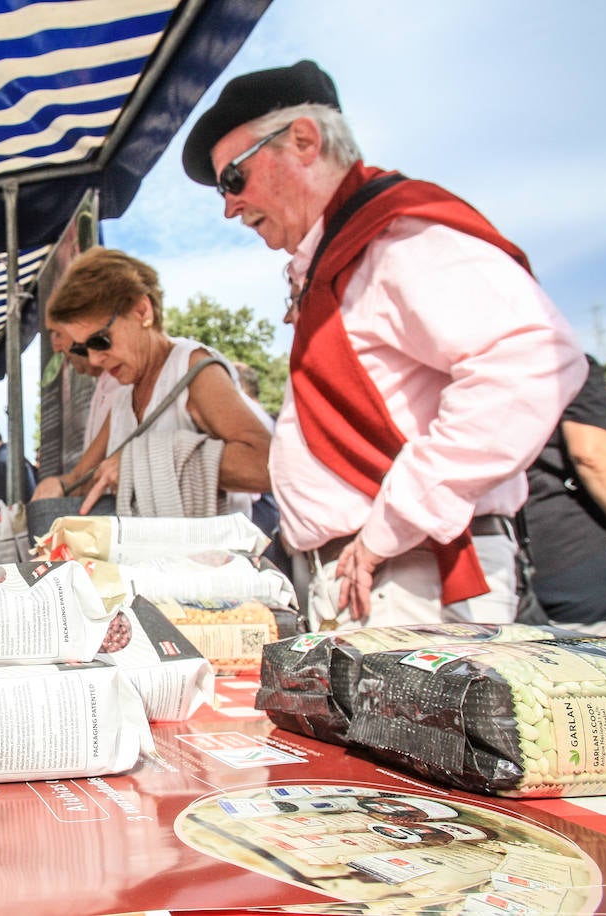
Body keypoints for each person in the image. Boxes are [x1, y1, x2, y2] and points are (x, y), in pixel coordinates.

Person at [180, 59, 585, 628]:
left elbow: (531, 360)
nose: (229, 207)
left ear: (302, 140)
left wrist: (393, 523)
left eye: (233, 179)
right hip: (377, 574)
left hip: (408, 574)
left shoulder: (398, 239)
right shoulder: (342, 256)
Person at [31, 248, 271, 518]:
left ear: (142, 311)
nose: (95, 360)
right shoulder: (124, 395)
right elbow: (84, 477)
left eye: (100, 341)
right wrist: (59, 485)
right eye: (84, 348)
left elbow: (263, 464)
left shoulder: (192, 369)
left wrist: (143, 464)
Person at [523, 356, 606, 635]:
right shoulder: (567, 362)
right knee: (598, 670)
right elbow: (593, 456)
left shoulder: (454, 369)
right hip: (576, 558)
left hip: (499, 558)